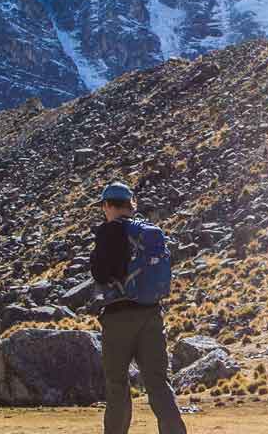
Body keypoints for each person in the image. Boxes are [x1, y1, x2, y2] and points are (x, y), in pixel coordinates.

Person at [91, 181, 188, 434]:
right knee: (158, 383)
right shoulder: (147, 232)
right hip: (151, 314)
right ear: (131, 204)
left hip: (118, 318)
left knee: (117, 386)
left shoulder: (110, 231)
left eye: (104, 206)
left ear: (108, 205)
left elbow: (100, 273)